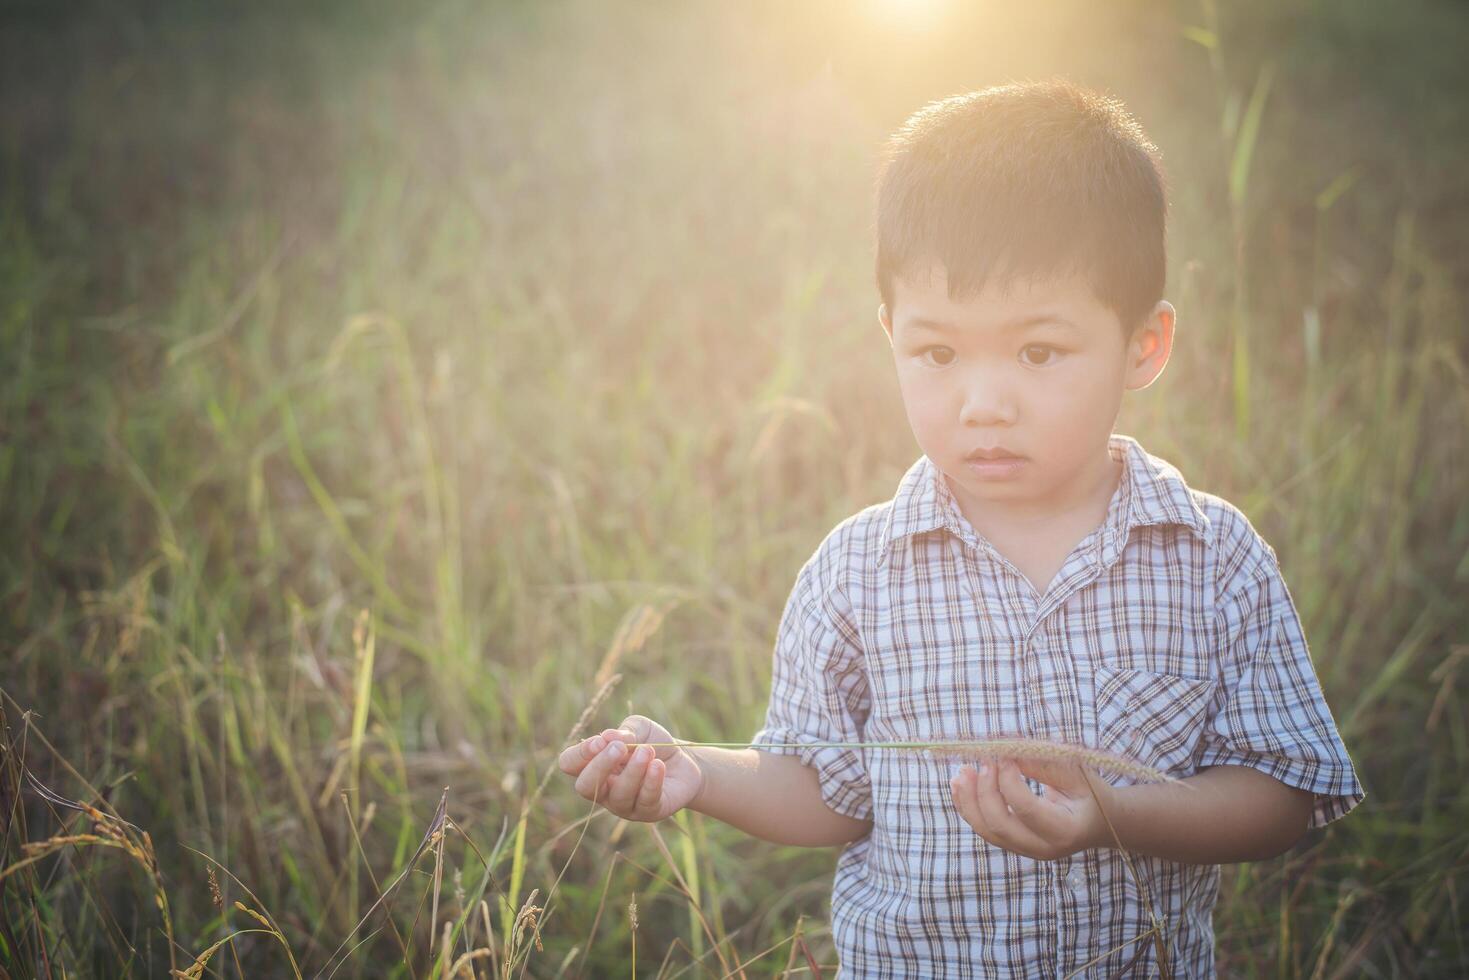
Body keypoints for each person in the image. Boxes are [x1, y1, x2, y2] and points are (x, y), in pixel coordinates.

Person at [557, 79, 1365, 977]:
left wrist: (1110, 813)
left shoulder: (1211, 558)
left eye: (1038, 352)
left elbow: (1283, 795)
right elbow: (823, 788)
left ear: (1143, 345)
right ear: (890, 335)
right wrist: (698, 774)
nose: (983, 404)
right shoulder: (857, 571)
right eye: (937, 354)